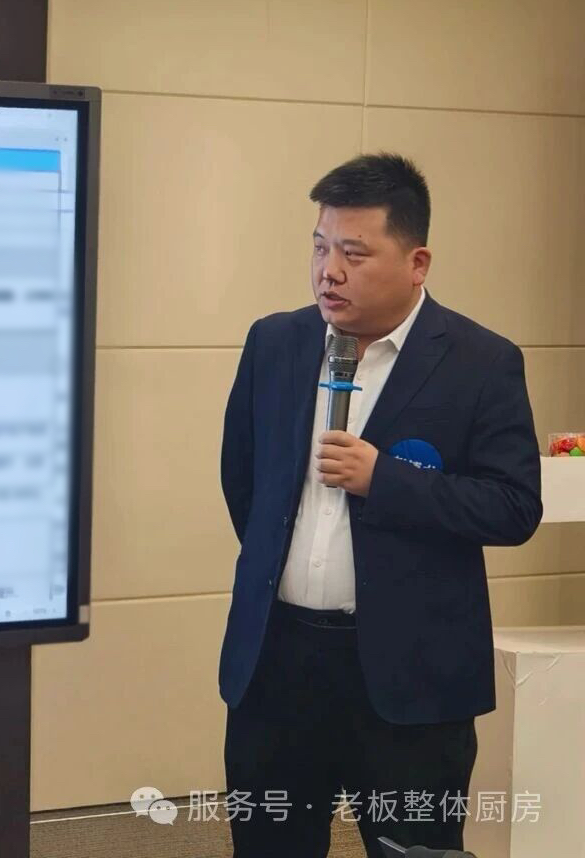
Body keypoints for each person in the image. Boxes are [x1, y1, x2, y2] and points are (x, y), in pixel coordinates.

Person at [217, 153, 543, 857]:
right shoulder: (275, 342)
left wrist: (384, 480)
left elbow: (514, 506)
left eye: (354, 254)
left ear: (417, 262)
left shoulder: (482, 363)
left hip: (410, 678)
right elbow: (244, 483)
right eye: (320, 247)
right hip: (278, 663)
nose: (328, 271)